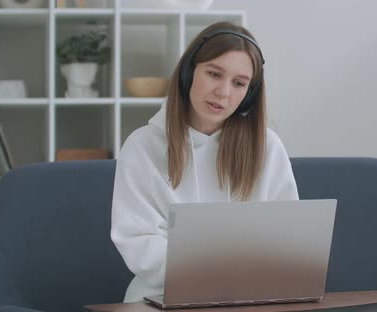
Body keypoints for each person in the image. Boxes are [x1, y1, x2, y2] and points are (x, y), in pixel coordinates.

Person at [110, 21, 299, 303]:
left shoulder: (267, 147)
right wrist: (218, 274)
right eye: (214, 74)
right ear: (188, 73)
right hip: (161, 297)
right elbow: (138, 240)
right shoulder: (142, 146)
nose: (223, 92)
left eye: (239, 83)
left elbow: (287, 238)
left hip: (250, 299)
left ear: (249, 94)